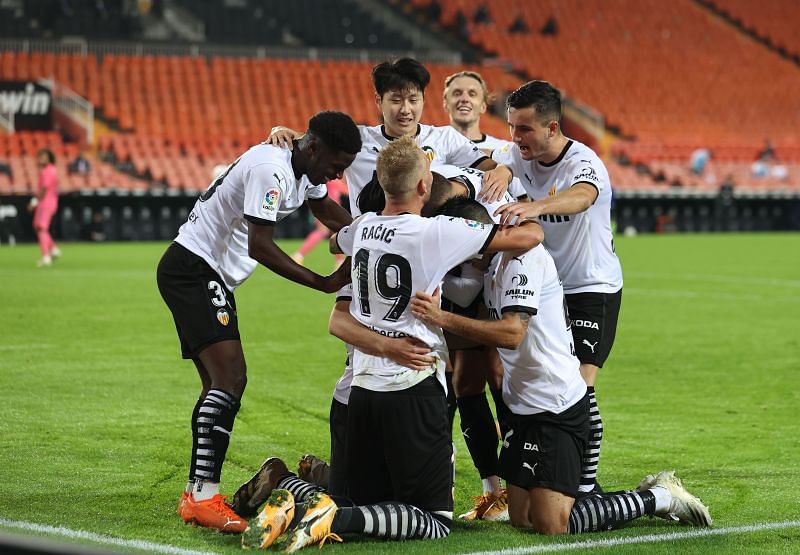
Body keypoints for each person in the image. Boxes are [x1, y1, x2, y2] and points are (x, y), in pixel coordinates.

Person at [233, 136, 544, 550]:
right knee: (434, 520)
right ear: (422, 187)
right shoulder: (438, 232)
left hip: (361, 388)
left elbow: (333, 241)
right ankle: (330, 516)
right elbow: (527, 240)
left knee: (363, 496)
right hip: (411, 385)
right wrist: (532, 211)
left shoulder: (360, 228)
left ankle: (291, 489)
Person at [411, 197, 711, 535]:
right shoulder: (491, 267)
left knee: (553, 525)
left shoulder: (521, 261)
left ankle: (658, 498)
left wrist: (440, 317)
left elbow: (511, 334)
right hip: (522, 407)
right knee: (522, 518)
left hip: (556, 403)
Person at [156, 111, 361, 533]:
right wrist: (323, 283)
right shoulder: (272, 169)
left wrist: (378, 233)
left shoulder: (303, 168)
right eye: (336, 165)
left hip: (203, 272)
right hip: (194, 268)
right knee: (230, 378)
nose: (338, 174)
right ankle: (202, 498)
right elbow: (261, 245)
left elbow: (328, 209)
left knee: (219, 383)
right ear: (314, 146)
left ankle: (198, 494)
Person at [492, 81, 624, 496]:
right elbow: (480, 154)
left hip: (590, 286)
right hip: (549, 291)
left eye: (525, 129)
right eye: (512, 127)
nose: (516, 137)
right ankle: (555, 474)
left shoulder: (584, 162)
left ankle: (585, 488)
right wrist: (498, 166)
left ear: (552, 127)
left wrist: (536, 205)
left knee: (579, 386)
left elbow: (582, 197)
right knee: (545, 382)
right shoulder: (517, 152)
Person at [267, 58, 515, 217]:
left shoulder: (444, 138)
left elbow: (492, 167)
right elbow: (311, 143)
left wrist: (504, 172)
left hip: (430, 249)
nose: (405, 110)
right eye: (396, 100)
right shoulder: (358, 139)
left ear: (423, 100)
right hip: (371, 247)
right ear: (379, 101)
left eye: (413, 100)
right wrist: (281, 130)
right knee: (343, 303)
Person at [290, 177, 348, 268]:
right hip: (328, 208)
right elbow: (345, 190)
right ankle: (298, 255)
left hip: (329, 207)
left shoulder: (333, 178)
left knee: (336, 233)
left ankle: (340, 262)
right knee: (323, 231)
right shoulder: (332, 179)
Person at [30, 148, 62, 267]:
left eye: (44, 156)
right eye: (40, 156)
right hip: (48, 202)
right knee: (38, 227)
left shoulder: (48, 171)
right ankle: (53, 249)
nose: (41, 159)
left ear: (49, 158)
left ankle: (46, 256)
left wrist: (34, 202)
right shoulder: (50, 170)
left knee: (41, 228)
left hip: (45, 203)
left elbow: (44, 188)